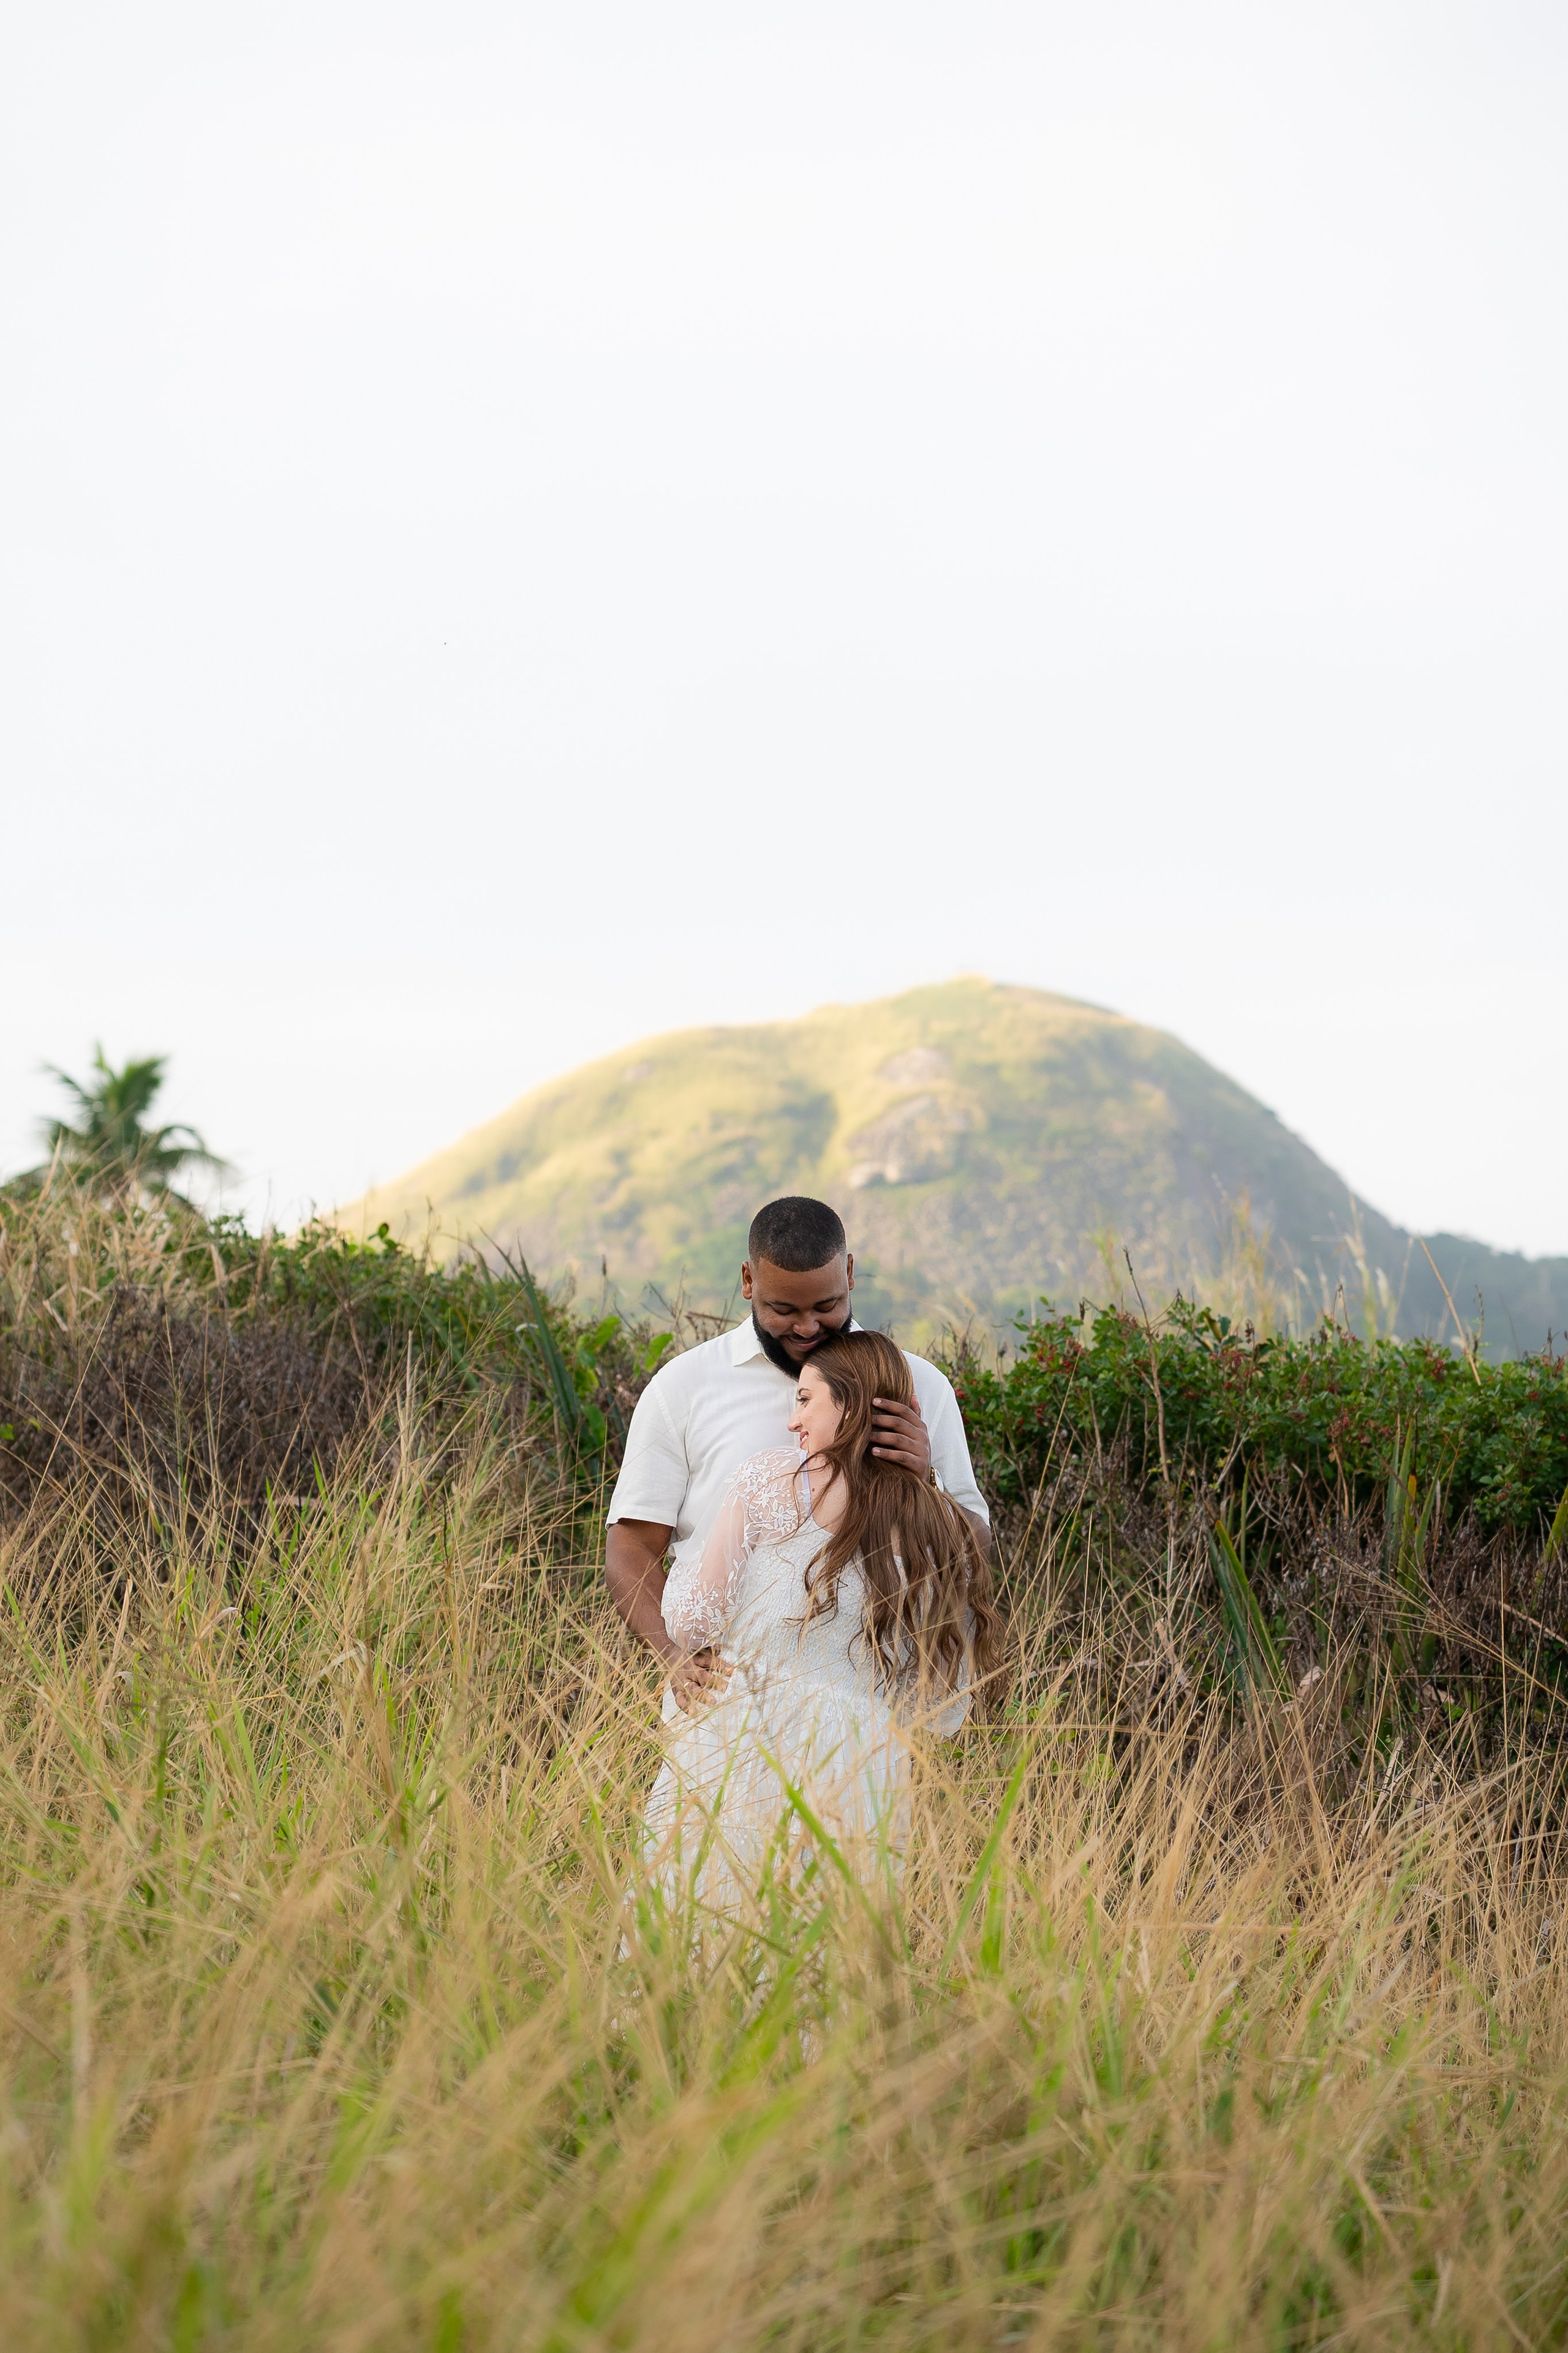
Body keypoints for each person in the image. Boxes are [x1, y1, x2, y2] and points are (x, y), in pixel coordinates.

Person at [642, 1328, 1002, 1911]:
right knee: (825, 1944)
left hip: (743, 1729)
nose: (793, 1420)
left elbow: (693, 1621)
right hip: (860, 1758)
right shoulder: (929, 1517)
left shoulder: (767, 1481)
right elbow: (935, 1693)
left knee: (707, 1914)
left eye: (806, 1399)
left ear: (852, 1405)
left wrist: (688, 1598)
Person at [605, 1196, 990, 1712]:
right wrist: (673, 1655)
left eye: (826, 1306)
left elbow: (977, 1551)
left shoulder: (920, 1385)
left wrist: (925, 1482)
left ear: (850, 1273)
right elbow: (630, 1547)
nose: (807, 1327)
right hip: (720, 1712)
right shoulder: (683, 1387)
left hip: (866, 1721)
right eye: (783, 1309)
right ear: (748, 1282)